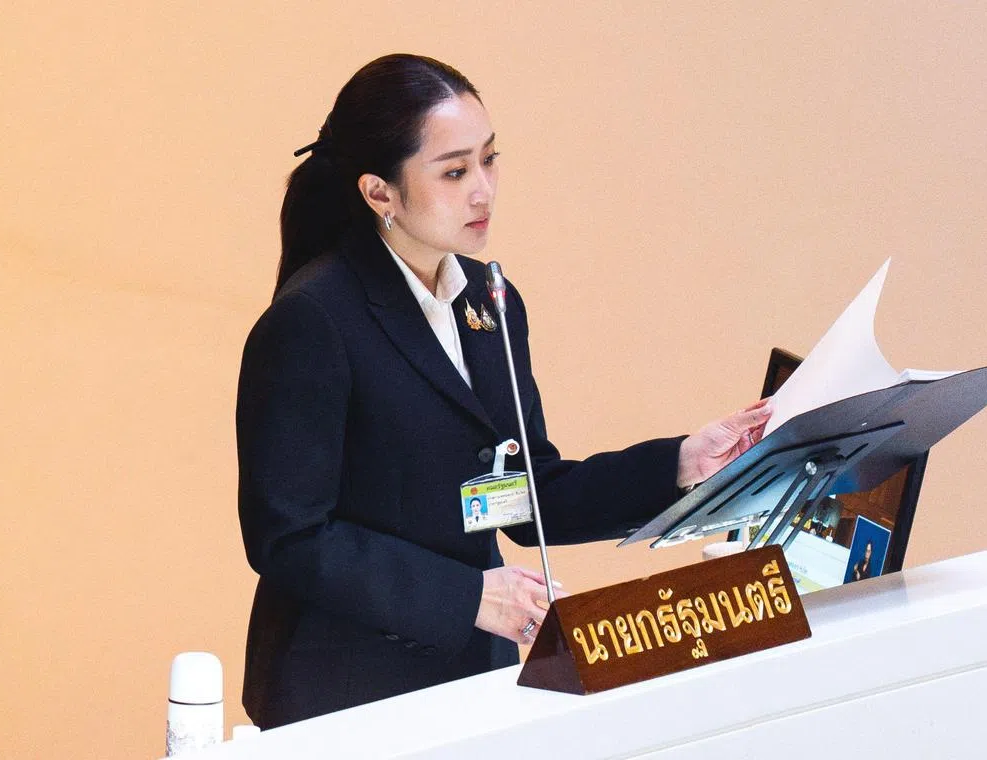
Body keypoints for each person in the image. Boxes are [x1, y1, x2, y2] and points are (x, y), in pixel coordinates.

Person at [235, 53, 772, 728]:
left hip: (471, 677)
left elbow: (527, 493)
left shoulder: (489, 303)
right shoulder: (313, 319)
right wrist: (467, 597)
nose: (484, 190)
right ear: (380, 193)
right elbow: (290, 538)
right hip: (345, 689)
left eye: (490, 160)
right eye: (455, 171)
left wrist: (683, 463)